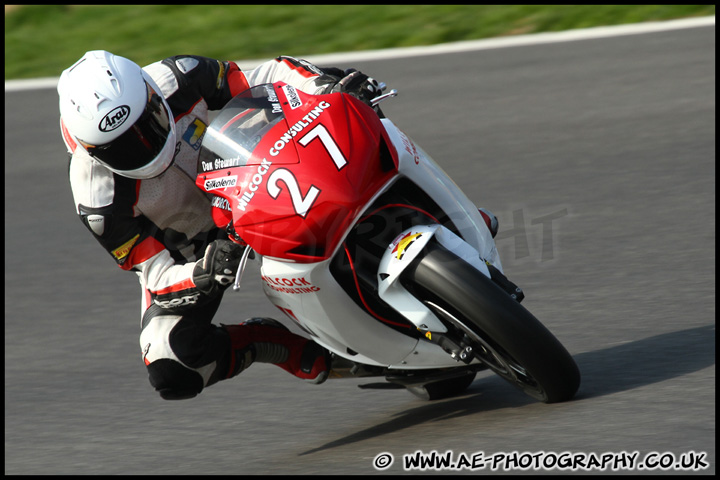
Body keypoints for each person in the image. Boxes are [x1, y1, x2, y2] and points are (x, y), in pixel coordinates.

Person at [58, 50, 385, 400]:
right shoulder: (97, 199)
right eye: (121, 148)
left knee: (340, 84)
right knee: (172, 364)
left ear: (151, 93)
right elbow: (154, 273)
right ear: (91, 151)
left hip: (257, 172)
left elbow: (264, 76)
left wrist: (322, 86)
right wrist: (203, 272)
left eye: (147, 122)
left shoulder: (179, 75)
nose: (144, 145)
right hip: (198, 248)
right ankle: (272, 345)